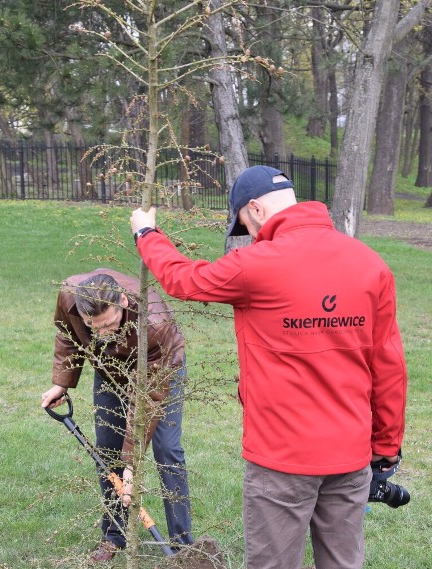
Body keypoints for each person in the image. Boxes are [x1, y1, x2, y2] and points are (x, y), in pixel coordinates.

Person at [129, 166, 407, 569]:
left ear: (256, 209)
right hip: (350, 455)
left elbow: (181, 279)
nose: (250, 235)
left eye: (244, 223)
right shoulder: (369, 264)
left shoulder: (255, 264)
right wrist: (386, 449)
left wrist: (146, 233)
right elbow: (390, 368)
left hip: (281, 460)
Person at [41, 269, 194, 562]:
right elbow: (68, 334)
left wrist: (132, 465)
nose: (101, 334)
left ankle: (182, 547)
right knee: (108, 449)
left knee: (167, 450)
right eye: (93, 327)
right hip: (110, 371)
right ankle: (114, 536)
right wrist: (62, 382)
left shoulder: (155, 323)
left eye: (108, 324)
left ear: (122, 301)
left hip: (159, 370)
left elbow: (148, 398)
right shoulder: (70, 297)